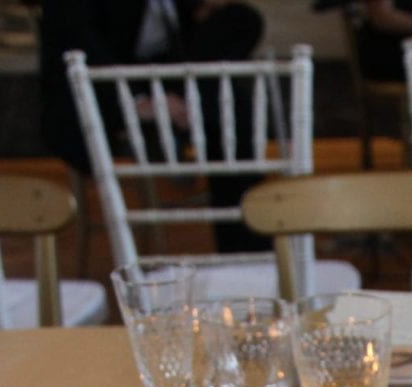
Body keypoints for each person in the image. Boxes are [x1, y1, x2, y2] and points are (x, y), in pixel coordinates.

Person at [39, 0, 269, 251]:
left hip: (170, 69)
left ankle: (249, 250)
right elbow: (72, 38)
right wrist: (137, 101)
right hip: (106, 86)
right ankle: (182, 105)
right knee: (224, 105)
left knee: (240, 31)